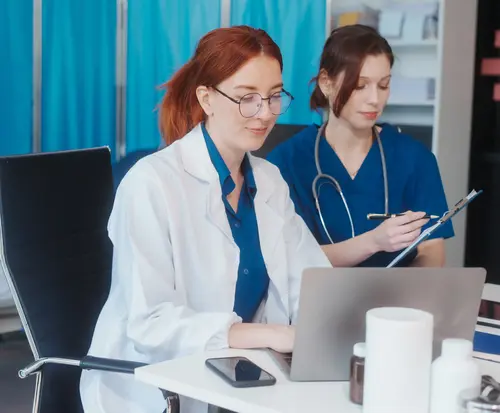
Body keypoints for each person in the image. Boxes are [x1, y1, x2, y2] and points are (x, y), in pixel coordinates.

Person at [79, 26, 331, 413]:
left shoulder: (268, 181)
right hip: (153, 385)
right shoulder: (151, 184)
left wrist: (334, 324)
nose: (265, 113)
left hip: (239, 378)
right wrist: (272, 334)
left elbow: (312, 281)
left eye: (274, 96)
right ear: (207, 98)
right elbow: (151, 325)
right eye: (247, 98)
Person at [267, 24, 454, 268]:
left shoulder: (416, 160)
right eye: (360, 86)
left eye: (384, 85)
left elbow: (431, 249)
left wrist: (404, 298)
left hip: (394, 303)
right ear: (326, 83)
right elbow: (288, 258)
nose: (375, 99)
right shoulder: (285, 163)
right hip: (316, 302)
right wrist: (374, 242)